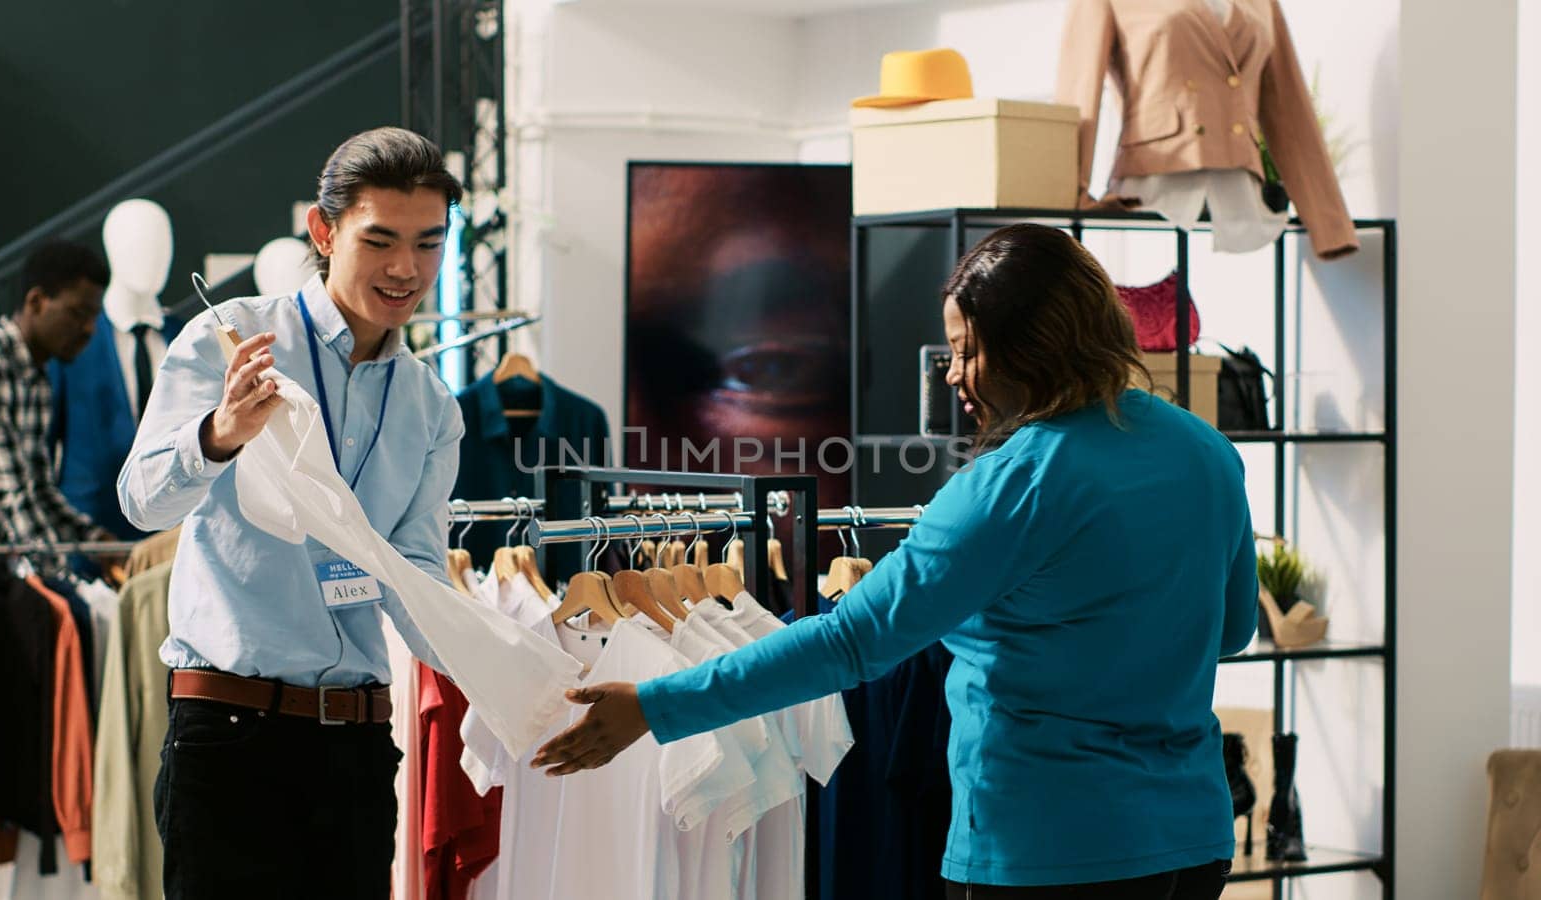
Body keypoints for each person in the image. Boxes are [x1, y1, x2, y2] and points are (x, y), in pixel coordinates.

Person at [532, 223, 1258, 899]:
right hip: (1191, 843)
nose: (953, 376)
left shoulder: (1011, 486)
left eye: (967, 351)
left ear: (1032, 347)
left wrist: (656, 707)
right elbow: (1230, 631)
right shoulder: (1206, 451)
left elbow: (849, 642)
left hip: (1048, 849)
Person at [117, 127, 463, 899]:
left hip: (361, 749)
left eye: (428, 244)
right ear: (323, 229)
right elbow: (140, 503)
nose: (406, 269)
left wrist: (517, 666)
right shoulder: (226, 341)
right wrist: (219, 435)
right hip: (231, 737)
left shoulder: (432, 408)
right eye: (380, 240)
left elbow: (417, 588)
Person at [0, 240, 118, 556]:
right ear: (36, 300)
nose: (89, 329)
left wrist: (96, 542)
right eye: (78, 313)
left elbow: (38, 490)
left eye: (94, 317)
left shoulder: (36, 378)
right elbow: (9, 494)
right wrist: (63, 581)